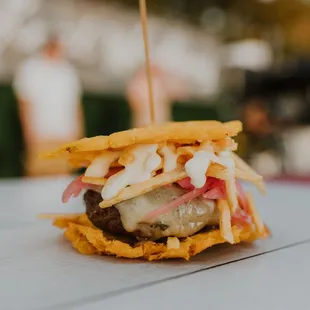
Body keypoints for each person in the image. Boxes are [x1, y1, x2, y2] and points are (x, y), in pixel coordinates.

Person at [13, 36, 84, 177]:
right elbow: (24, 103)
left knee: (63, 175)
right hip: (41, 133)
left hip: (66, 134)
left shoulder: (68, 71)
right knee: (38, 174)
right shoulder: (31, 68)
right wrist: (29, 132)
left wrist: (79, 133)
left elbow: (76, 104)